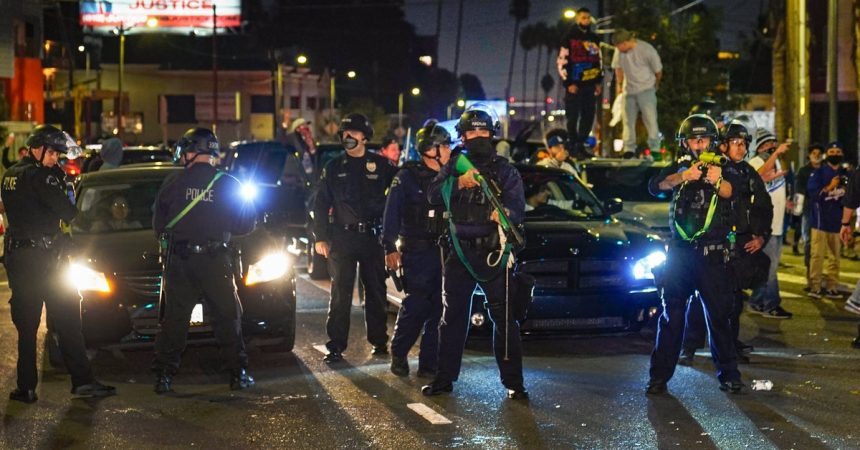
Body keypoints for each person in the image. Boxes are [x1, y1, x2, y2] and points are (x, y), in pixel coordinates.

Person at [1, 124, 116, 402]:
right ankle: (83, 382)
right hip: (47, 260)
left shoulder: (10, 176)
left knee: (27, 327)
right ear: (37, 149)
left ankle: (26, 387)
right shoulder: (45, 177)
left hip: (19, 258)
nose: (56, 159)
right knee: (67, 321)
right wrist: (60, 180)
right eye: (52, 153)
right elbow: (69, 212)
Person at [423, 105, 528, 400]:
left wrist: (504, 213)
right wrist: (458, 183)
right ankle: (443, 380)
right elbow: (433, 194)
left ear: (492, 134)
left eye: (484, 131)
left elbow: (517, 209)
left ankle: (514, 383)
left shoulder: (505, 170)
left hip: (493, 252)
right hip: (459, 254)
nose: (478, 136)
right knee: (452, 318)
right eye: (472, 131)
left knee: (505, 320)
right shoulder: (455, 164)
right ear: (463, 135)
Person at [152, 127, 257, 394]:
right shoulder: (229, 184)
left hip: (182, 261)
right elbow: (245, 225)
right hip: (216, 261)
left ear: (191, 151)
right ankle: (238, 373)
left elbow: (159, 225)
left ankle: (164, 376)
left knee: (175, 321)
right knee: (227, 318)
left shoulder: (173, 183)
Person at [646, 114, 744, 394]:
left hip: (712, 255)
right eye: (694, 139)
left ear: (713, 141)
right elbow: (655, 185)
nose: (699, 144)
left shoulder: (724, 167)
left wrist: (717, 180)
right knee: (671, 317)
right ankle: (658, 378)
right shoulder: (679, 167)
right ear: (685, 142)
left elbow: (733, 192)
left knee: (719, 318)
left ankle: (729, 375)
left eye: (704, 139)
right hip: (679, 255)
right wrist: (682, 177)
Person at [679, 120, 772, 366]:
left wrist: (761, 236)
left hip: (739, 244)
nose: (740, 149)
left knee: (734, 298)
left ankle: (730, 344)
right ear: (723, 146)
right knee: (702, 298)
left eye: (743, 144)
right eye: (735, 144)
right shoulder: (711, 168)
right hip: (712, 243)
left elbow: (763, 206)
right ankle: (689, 344)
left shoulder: (747, 172)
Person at [313, 113, 397, 363]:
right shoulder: (334, 167)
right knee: (340, 293)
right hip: (342, 237)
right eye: (344, 134)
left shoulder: (381, 166)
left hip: (372, 237)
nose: (347, 137)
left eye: (353, 134)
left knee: (376, 291)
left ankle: (379, 342)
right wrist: (320, 236)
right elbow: (320, 204)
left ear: (364, 136)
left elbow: (397, 198)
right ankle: (336, 345)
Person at [382, 120, 452, 378]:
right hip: (417, 252)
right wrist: (389, 246)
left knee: (440, 309)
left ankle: (429, 363)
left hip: (444, 252)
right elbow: (391, 213)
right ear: (432, 149)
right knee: (417, 305)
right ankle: (399, 352)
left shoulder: (450, 176)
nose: (448, 150)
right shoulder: (407, 177)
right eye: (445, 145)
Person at [744, 129, 793, 318]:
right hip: (766, 225)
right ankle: (770, 304)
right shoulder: (757, 161)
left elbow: (775, 187)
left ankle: (757, 301)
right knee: (770, 267)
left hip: (778, 223)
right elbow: (758, 176)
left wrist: (786, 202)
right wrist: (776, 154)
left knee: (769, 266)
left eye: (774, 143)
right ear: (761, 146)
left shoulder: (776, 161)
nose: (772, 146)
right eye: (768, 144)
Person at [807, 141, 850, 299]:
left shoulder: (846, 173)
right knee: (817, 255)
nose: (835, 154)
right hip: (820, 221)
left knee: (835, 257)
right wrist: (830, 186)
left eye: (838, 151)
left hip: (838, 222)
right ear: (827, 155)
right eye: (832, 151)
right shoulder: (818, 173)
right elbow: (813, 195)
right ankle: (816, 286)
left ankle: (832, 286)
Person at [557, 7, 602, 155]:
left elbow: (598, 60)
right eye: (583, 18)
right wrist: (568, 83)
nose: (586, 20)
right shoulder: (569, 37)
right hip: (574, 85)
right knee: (573, 115)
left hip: (590, 84)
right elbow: (562, 61)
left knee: (588, 115)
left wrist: (598, 81)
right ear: (577, 19)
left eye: (588, 18)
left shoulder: (594, 38)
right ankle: (572, 143)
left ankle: (581, 144)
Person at [611, 28, 663, 154]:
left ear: (626, 42)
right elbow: (618, 69)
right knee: (627, 121)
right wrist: (619, 86)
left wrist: (655, 85)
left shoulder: (646, 49)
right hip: (628, 90)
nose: (618, 49)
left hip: (646, 89)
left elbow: (658, 71)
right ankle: (629, 149)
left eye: (619, 46)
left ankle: (655, 148)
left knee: (650, 119)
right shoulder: (619, 52)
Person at [794, 144, 823, 257]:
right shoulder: (803, 171)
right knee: (808, 237)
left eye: (819, 154)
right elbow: (799, 190)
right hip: (808, 208)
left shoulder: (825, 170)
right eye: (814, 154)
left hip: (823, 209)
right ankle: (809, 264)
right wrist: (797, 209)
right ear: (809, 155)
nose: (816, 156)